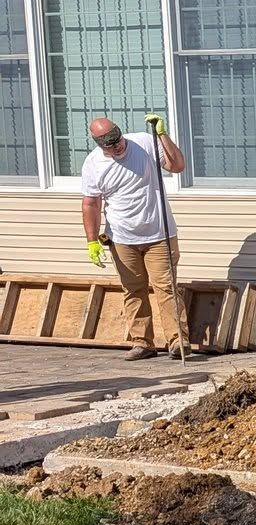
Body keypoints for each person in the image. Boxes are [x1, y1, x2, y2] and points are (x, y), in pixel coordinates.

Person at [80, 114, 187, 360]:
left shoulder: (144, 142)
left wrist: (161, 134)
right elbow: (91, 204)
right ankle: (143, 343)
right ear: (98, 143)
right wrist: (92, 240)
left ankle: (177, 342)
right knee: (133, 289)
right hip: (122, 237)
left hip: (159, 233)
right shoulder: (93, 164)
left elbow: (177, 166)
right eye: (109, 143)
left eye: (117, 138)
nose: (117, 145)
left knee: (166, 288)